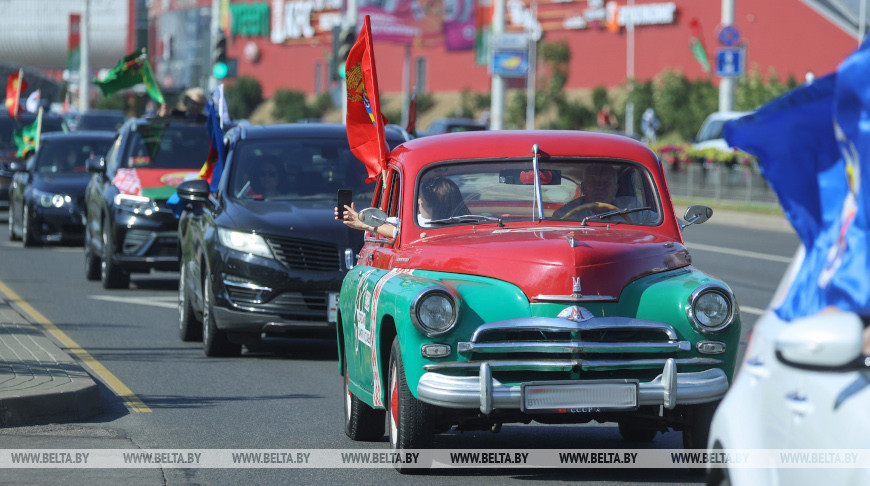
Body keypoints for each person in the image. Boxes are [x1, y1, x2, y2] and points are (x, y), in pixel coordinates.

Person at [335, 176, 468, 237]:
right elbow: (394, 227)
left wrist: (364, 224)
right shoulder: (466, 224)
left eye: (422, 200)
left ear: (436, 206)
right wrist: (363, 220)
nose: (419, 202)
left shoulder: (465, 225)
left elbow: (398, 233)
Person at [552, 164, 654, 223]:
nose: (600, 187)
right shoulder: (564, 215)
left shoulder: (633, 207)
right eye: (593, 182)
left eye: (606, 182)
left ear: (615, 189)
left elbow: (658, 228)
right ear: (583, 188)